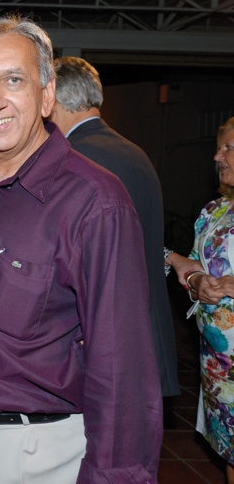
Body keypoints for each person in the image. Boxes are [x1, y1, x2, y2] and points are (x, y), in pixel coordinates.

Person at [0, 15, 162, 483]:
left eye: (13, 80)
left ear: (48, 95)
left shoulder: (95, 202)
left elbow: (122, 368)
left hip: (33, 451)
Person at [48, 55, 180, 397]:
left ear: (53, 99)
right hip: (144, 335)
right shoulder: (132, 151)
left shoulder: (76, 159)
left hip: (109, 342)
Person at [168, 117, 234, 484]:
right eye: (219, 147)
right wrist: (197, 283)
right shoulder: (214, 212)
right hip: (220, 367)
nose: (217, 156)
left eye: (228, 148)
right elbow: (194, 269)